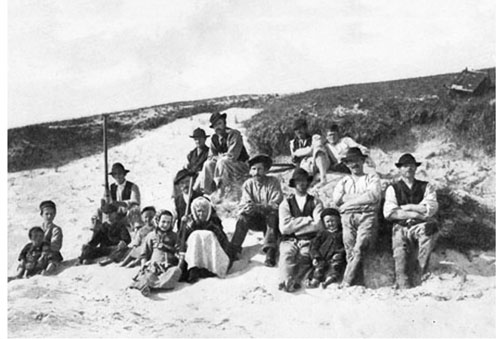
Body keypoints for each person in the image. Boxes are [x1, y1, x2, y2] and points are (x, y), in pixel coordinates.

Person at [383, 153, 439, 289]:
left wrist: (408, 207)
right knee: (400, 253)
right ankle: (403, 284)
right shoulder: (393, 188)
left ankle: (420, 275)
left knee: (428, 233)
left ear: (416, 168)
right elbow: (390, 213)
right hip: (400, 226)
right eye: (405, 166)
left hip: (420, 225)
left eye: (412, 166)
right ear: (400, 169)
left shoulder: (426, 186)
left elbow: (430, 208)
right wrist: (416, 213)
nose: (409, 168)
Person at [332, 147, 382, 287]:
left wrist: (348, 202)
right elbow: (337, 199)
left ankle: (346, 281)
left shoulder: (372, 177)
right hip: (347, 218)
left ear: (362, 161)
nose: (353, 165)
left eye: (356, 161)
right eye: (350, 162)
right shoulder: (344, 181)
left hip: (367, 215)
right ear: (346, 164)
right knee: (349, 249)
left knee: (359, 248)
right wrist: (361, 197)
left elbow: (373, 196)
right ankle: (358, 282)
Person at [230, 154, 283, 266]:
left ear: (266, 171)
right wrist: (248, 208)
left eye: (260, 169)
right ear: (250, 171)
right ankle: (233, 250)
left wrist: (258, 207)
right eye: (254, 169)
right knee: (242, 218)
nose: (256, 172)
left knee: (272, 216)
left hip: (270, 221)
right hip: (255, 219)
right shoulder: (248, 184)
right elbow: (245, 202)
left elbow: (276, 203)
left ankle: (270, 251)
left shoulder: (273, 182)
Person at [278, 168, 324, 292]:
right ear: (294, 183)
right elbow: (284, 228)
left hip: (309, 239)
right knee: (287, 254)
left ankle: (296, 280)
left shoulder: (316, 202)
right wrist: (307, 219)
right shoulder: (286, 203)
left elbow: (318, 225)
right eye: (299, 181)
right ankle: (285, 281)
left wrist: (294, 223)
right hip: (289, 239)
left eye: (304, 181)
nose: (302, 184)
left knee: (305, 256)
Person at [180, 196, 232, 283]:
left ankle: (209, 268)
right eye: (199, 211)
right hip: (193, 254)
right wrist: (184, 226)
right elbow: (181, 239)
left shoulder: (214, 220)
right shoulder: (189, 221)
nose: (201, 214)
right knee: (196, 235)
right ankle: (194, 269)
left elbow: (222, 240)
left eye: (204, 211)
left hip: (210, 255)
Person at [198, 112, 250, 196]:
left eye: (219, 123)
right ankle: (207, 192)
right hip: (224, 164)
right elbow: (211, 156)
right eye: (215, 125)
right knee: (208, 164)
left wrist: (218, 157)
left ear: (224, 124)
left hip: (240, 165)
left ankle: (222, 189)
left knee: (222, 161)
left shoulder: (233, 134)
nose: (217, 127)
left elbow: (232, 156)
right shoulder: (214, 138)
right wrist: (215, 158)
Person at [130, 210, 179, 296]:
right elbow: (144, 253)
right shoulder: (151, 235)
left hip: (168, 266)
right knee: (148, 275)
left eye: (168, 222)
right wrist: (143, 265)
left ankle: (151, 286)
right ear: (157, 221)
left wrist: (166, 247)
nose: (166, 225)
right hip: (154, 266)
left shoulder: (174, 236)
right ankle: (147, 286)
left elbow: (178, 251)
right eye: (163, 222)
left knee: (176, 271)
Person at [306, 208, 346, 288]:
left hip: (335, 257)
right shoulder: (322, 234)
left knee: (335, 266)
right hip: (322, 256)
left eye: (333, 221)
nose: (330, 223)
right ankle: (315, 281)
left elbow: (345, 246)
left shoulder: (342, 233)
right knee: (319, 267)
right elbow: (314, 246)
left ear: (338, 221)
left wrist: (340, 253)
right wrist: (315, 257)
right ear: (324, 222)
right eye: (328, 221)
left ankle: (328, 281)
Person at [289, 117, 330, 185]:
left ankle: (323, 178)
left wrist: (300, 153)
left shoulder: (314, 138)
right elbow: (294, 158)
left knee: (318, 151)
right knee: (299, 176)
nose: (298, 131)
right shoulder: (293, 143)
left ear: (305, 128)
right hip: (305, 164)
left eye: (300, 128)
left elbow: (315, 149)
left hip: (319, 162)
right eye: (296, 130)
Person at [38, 200, 63, 274]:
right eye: (47, 214)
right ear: (41, 214)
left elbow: (56, 245)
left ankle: (48, 271)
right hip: (39, 253)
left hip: (51, 253)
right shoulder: (39, 229)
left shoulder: (56, 229)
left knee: (52, 260)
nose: (49, 216)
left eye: (52, 214)